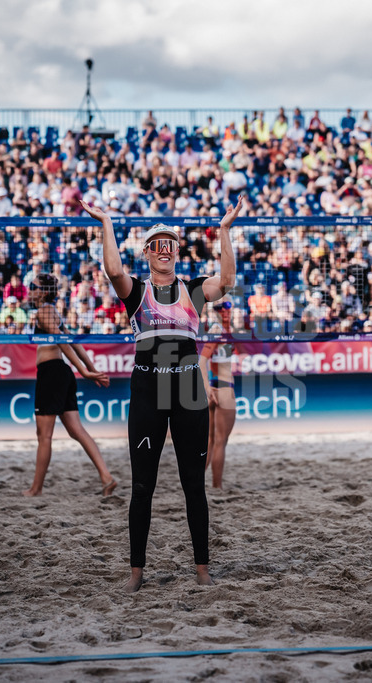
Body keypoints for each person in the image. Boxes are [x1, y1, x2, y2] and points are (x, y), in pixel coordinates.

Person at [81, 196, 243, 592]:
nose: (165, 248)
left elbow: (227, 282)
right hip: (148, 389)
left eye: (171, 243)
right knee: (142, 486)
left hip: (187, 391)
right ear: (148, 253)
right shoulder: (136, 291)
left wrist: (223, 231)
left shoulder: (193, 290)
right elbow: (112, 268)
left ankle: (202, 568)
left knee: (194, 486)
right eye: (158, 244)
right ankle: (136, 573)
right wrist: (106, 223)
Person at [24, 273, 117, 497]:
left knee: (44, 436)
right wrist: (90, 368)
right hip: (62, 373)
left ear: (43, 292)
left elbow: (64, 342)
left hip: (52, 374)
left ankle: (35, 489)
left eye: (32, 286)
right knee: (77, 430)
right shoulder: (52, 312)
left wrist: (85, 371)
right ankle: (107, 477)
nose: (29, 290)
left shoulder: (44, 311)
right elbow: (74, 342)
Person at [199, 297, 237, 489]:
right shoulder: (218, 330)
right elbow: (201, 362)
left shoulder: (222, 329)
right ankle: (217, 486)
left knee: (211, 441)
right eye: (226, 306)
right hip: (222, 388)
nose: (229, 309)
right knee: (220, 442)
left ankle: (197, 483)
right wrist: (206, 387)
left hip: (215, 387)